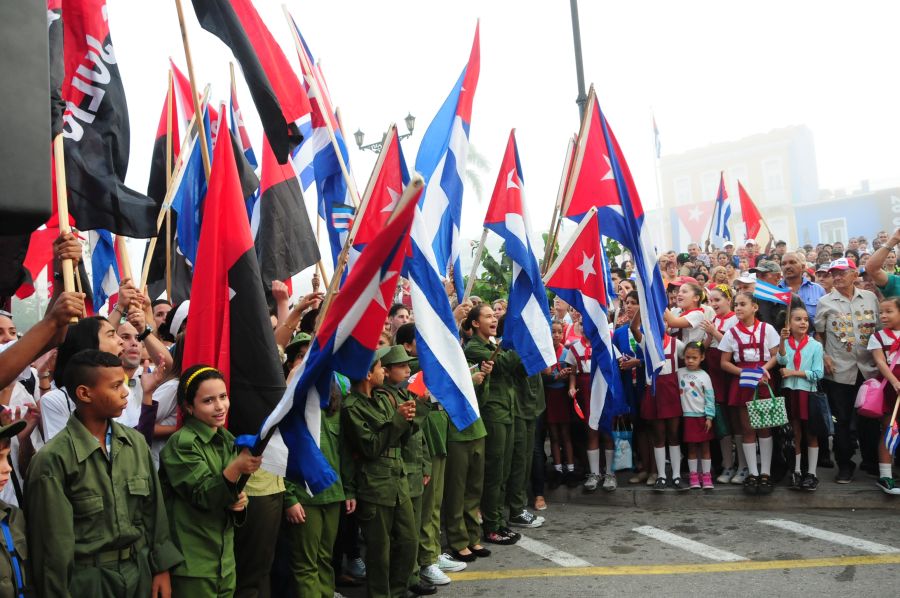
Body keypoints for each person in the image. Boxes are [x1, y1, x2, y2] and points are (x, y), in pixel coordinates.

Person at [26, 350, 182, 597]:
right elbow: (51, 549)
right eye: (116, 385)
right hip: (87, 581)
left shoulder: (135, 444)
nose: (125, 392)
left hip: (137, 572)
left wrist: (161, 568)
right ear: (84, 393)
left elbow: (154, 512)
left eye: (124, 383)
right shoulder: (53, 460)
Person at [159, 365, 262, 596]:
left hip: (224, 562)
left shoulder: (226, 439)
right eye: (208, 401)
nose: (219, 406)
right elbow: (203, 494)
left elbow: (226, 495)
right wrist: (236, 468)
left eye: (223, 397)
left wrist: (238, 502)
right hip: (192, 565)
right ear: (188, 407)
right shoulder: (183, 444)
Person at [342, 347, 418, 598]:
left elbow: (402, 438)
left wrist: (408, 417)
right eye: (378, 368)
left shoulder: (384, 397)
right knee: (379, 553)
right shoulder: (352, 407)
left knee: (408, 542)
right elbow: (370, 447)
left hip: (398, 479)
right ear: (366, 373)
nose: (383, 371)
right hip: (374, 485)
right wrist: (397, 420)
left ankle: (397, 591)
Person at [284, 377, 353, 597]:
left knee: (325, 557)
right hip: (305, 498)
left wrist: (349, 490)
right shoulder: (292, 416)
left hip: (332, 495)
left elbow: (344, 455)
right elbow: (280, 460)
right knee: (306, 562)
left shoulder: (334, 413)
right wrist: (290, 499)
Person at [815, 258, 880, 483]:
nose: (837, 277)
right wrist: (824, 356)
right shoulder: (825, 301)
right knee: (842, 420)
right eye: (834, 273)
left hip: (869, 369)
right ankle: (845, 465)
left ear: (855, 274)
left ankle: (871, 462)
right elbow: (819, 333)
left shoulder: (870, 298)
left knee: (870, 419)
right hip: (840, 369)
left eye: (842, 272)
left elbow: (880, 330)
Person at [377, 345, 435, 596]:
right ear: (386, 371)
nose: (407, 369)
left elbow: (418, 437)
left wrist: (425, 464)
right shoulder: (385, 398)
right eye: (401, 366)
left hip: (413, 467)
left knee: (412, 529)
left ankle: (410, 577)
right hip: (397, 471)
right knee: (400, 534)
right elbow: (400, 433)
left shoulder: (403, 395)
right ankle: (400, 580)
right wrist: (421, 406)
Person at [463, 305, 523, 544]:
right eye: (487, 316)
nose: (494, 319)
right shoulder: (476, 347)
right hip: (493, 413)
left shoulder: (492, 344)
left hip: (507, 411)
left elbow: (518, 367)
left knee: (504, 470)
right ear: (475, 323)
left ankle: (498, 520)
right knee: (494, 471)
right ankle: (491, 525)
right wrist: (519, 338)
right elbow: (507, 364)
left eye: (494, 315)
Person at [718, 293, 781, 495]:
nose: (738, 308)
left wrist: (763, 369)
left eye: (743, 304)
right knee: (747, 429)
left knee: (764, 428)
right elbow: (724, 362)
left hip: (763, 379)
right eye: (736, 305)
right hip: (743, 381)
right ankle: (752, 474)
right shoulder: (731, 332)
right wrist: (745, 372)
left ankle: (766, 473)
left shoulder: (767, 329)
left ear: (754, 307)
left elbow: (776, 355)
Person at [700, 285, 747, 485]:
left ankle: (743, 466)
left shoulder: (735, 320)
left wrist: (715, 332)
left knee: (738, 421)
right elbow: (704, 345)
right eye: (711, 301)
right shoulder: (713, 320)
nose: (714, 304)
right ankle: (727, 466)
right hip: (714, 373)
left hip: (730, 373)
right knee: (721, 422)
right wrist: (709, 334)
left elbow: (734, 347)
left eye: (718, 299)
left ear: (729, 300)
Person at [777, 306, 824, 492]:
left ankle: (811, 473)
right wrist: (781, 341)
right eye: (798, 319)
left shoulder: (815, 345)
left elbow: (818, 373)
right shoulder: (786, 343)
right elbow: (781, 361)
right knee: (794, 433)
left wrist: (793, 372)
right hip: (790, 391)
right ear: (788, 323)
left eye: (805, 319)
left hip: (808, 393)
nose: (803, 322)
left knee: (811, 433)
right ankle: (796, 471)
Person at [867, 297, 900, 495]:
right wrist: (895, 382)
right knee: (889, 429)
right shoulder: (878, 337)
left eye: (889, 311)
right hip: (890, 386)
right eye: (881, 312)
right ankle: (885, 475)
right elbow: (880, 362)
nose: (884, 316)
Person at [677, 342, 716, 489]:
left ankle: (706, 476)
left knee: (705, 447)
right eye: (687, 357)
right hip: (687, 417)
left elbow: (710, 397)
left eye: (694, 357)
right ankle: (693, 476)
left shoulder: (705, 376)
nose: (690, 361)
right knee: (691, 448)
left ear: (702, 357)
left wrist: (709, 417)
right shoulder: (679, 372)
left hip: (702, 417)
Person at [544, 322, 576, 489]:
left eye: (559, 332)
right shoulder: (544, 352)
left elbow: (572, 372)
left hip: (562, 396)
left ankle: (570, 469)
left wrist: (567, 379)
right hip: (549, 395)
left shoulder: (565, 352)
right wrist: (556, 377)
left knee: (566, 434)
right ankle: (557, 469)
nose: (556, 335)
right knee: (554, 435)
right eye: (552, 332)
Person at [779, 252, 826, 319]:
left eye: (792, 262)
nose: (787, 266)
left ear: (803, 267)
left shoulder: (818, 290)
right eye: (783, 264)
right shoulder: (775, 291)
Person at [865, 228, 900, 297]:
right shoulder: (896, 282)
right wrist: (894, 240)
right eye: (888, 257)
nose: (891, 259)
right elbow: (872, 269)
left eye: (892, 257)